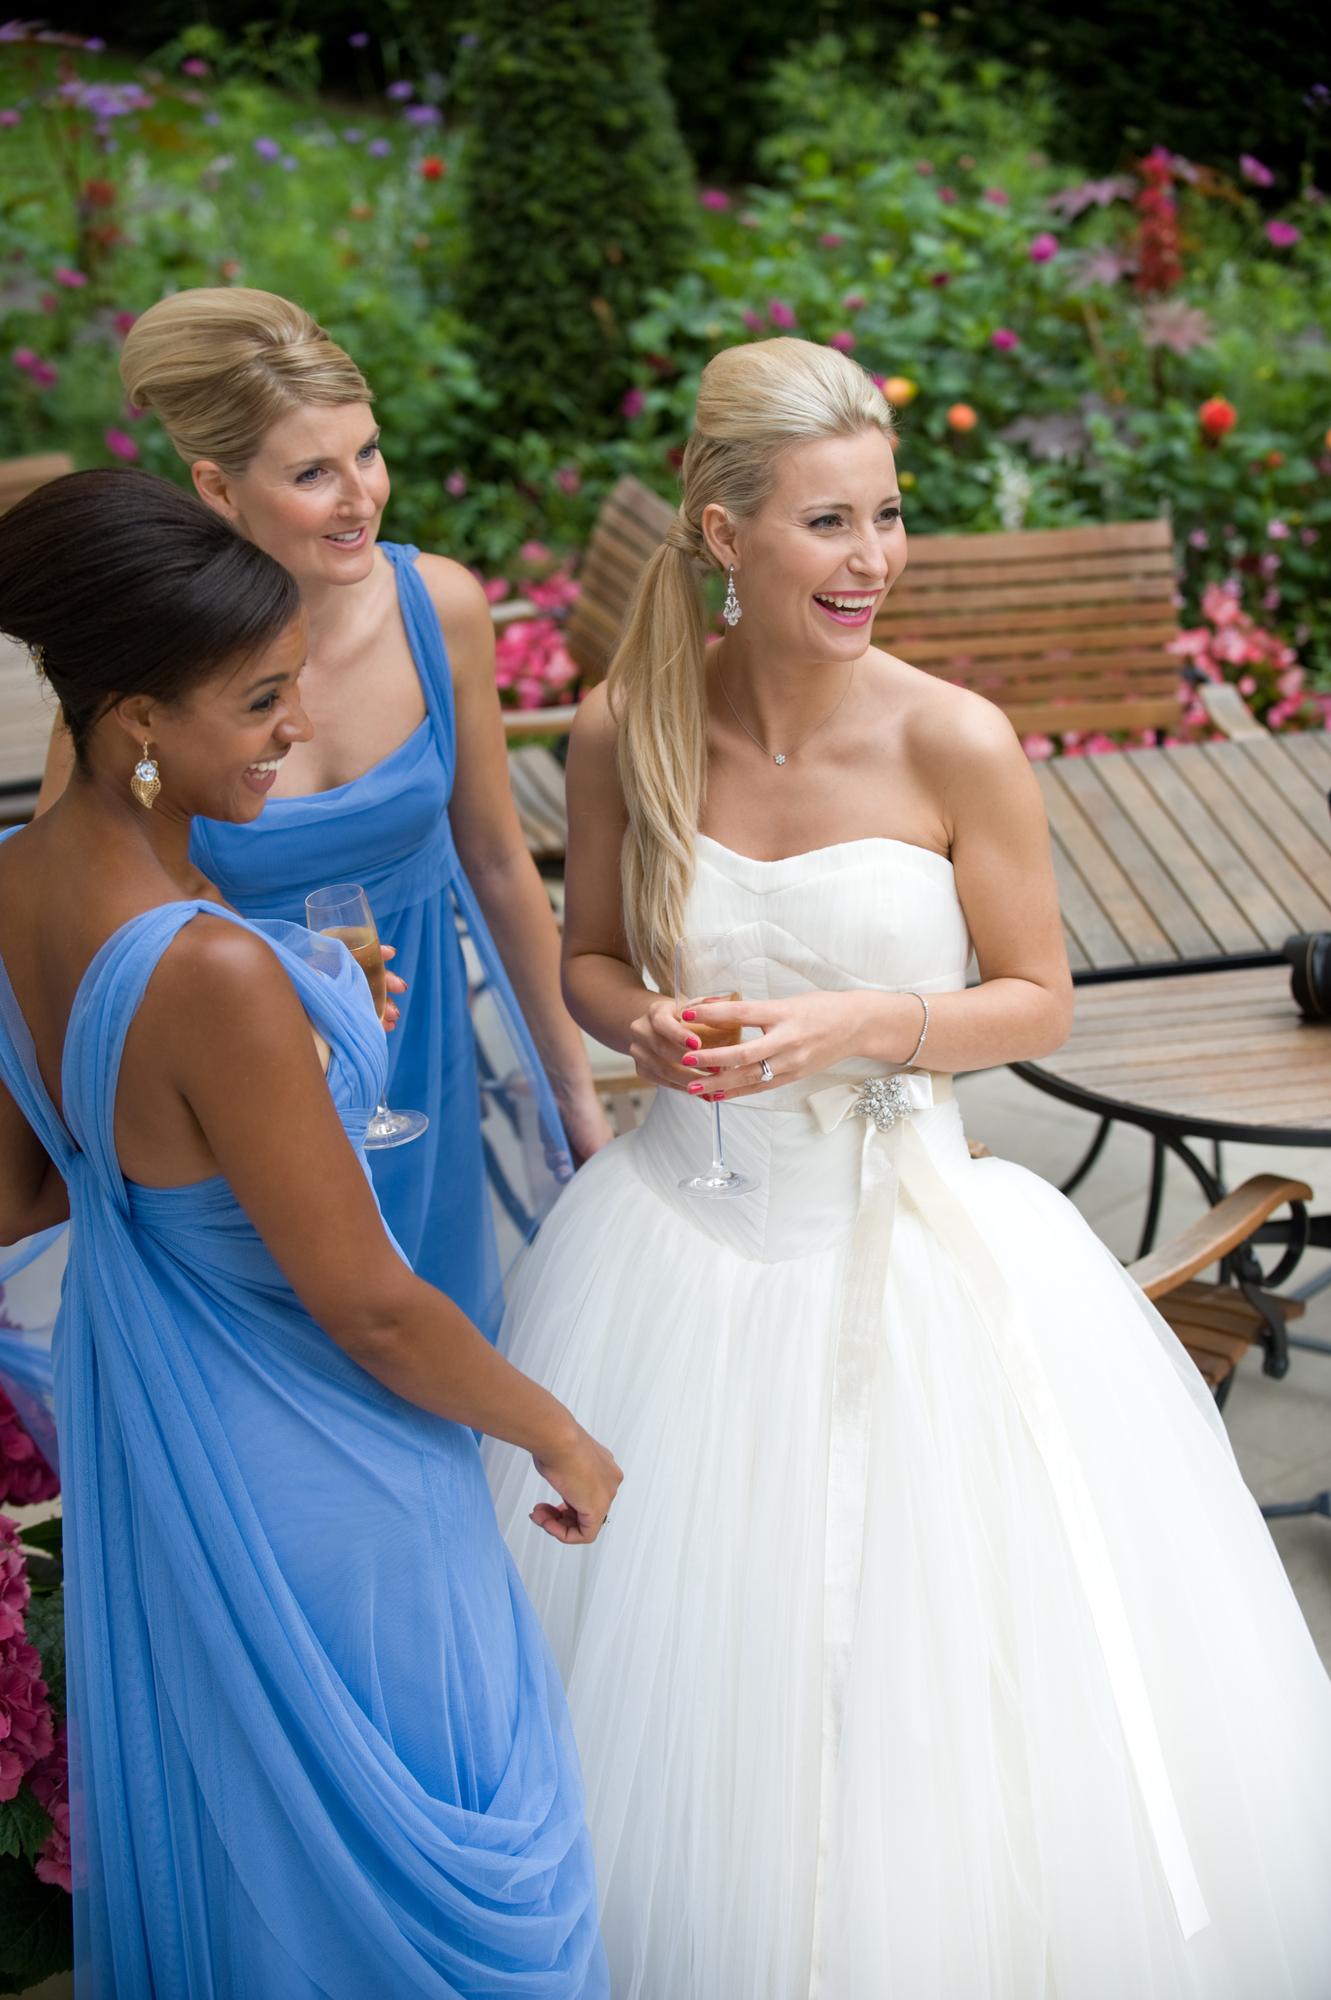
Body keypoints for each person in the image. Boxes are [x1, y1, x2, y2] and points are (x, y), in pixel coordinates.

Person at [485, 338, 1331, 1999]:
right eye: (828, 522)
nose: (872, 557)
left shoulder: (955, 740)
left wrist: (868, 1023)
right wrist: (640, 1024)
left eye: (886, 515)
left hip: (912, 1248)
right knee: (681, 1671)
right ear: (721, 534)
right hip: (674, 1253)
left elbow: (1036, 998)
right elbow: (584, 960)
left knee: (940, 1671)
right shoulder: (621, 729)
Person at [0, 469, 618, 1996]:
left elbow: (26, 1190)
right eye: (261, 700)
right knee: (431, 1837)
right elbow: (372, 1308)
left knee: (258, 1849)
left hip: (154, 1420)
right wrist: (555, 1432)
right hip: (318, 1452)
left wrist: (271, 1038)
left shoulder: (19, 884)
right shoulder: (212, 971)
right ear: (137, 720)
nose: (297, 727)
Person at [36, 286, 610, 1340]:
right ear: (217, 487)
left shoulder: (439, 608)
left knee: (437, 1345)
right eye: (312, 473)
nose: (360, 497)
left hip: (416, 1065)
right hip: (236, 1087)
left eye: (368, 453)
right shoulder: (145, 664)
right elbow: (74, 904)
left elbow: (494, 860)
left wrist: (571, 1090)